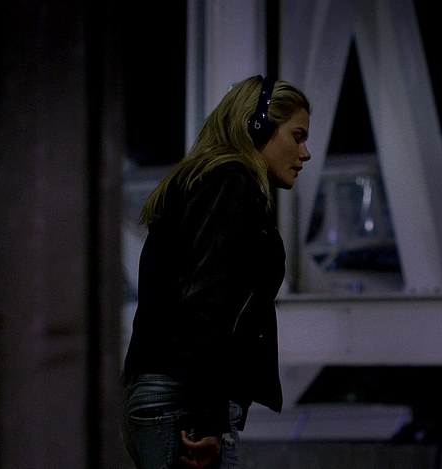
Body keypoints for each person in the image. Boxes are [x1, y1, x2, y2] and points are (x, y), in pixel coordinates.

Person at [121, 75, 311, 468]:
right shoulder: (230, 184)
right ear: (257, 126)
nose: (305, 153)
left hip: (172, 395)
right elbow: (208, 305)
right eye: (297, 137)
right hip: (184, 401)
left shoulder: (207, 183)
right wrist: (207, 419)